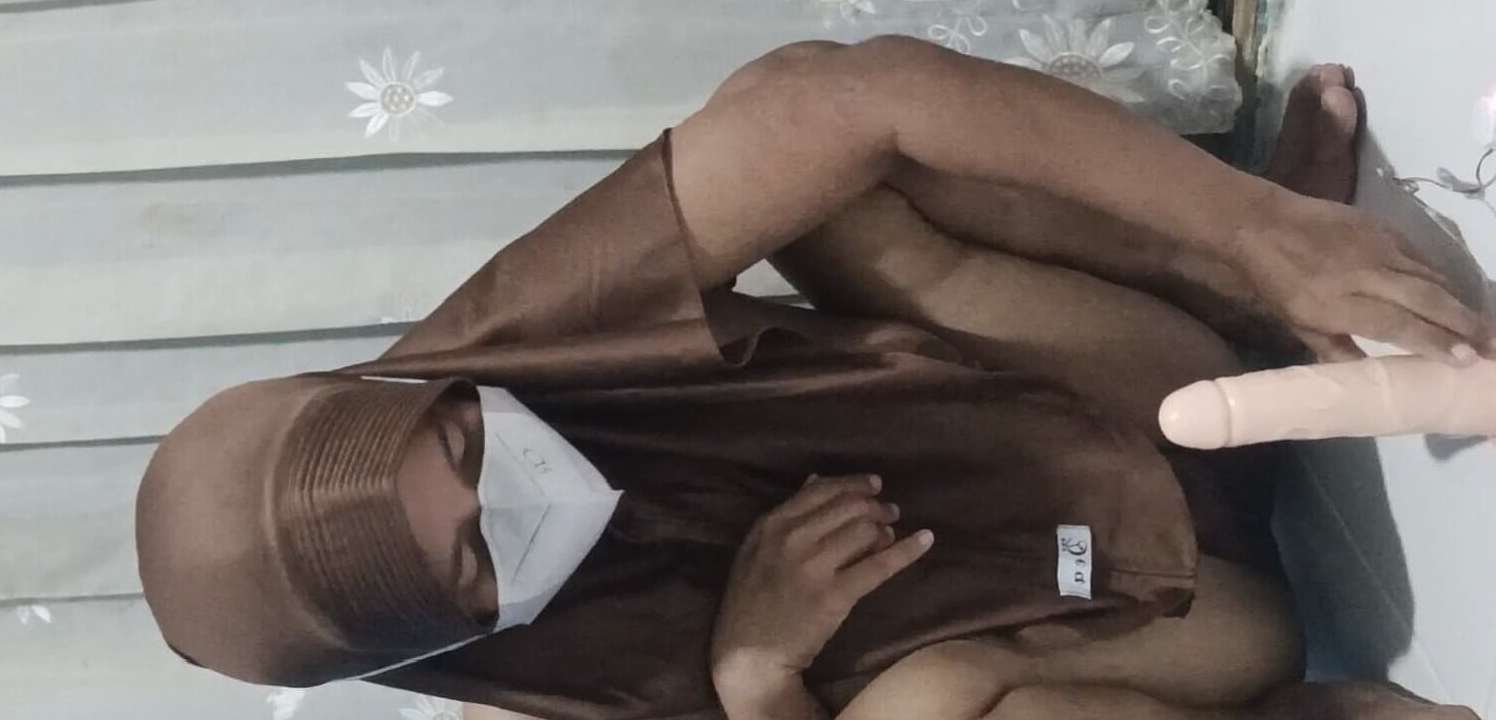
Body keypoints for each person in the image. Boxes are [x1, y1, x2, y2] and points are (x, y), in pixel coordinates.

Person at [135, 37, 1491, 720]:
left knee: (814, 151)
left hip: (1101, 389)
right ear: (442, 645)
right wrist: (761, 678)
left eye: (464, 445)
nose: (516, 490)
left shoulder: (510, 335)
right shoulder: (554, 697)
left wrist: (1253, 230)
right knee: (928, 710)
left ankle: (1249, 280)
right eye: (478, 558)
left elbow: (832, 106)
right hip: (1177, 641)